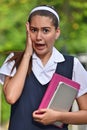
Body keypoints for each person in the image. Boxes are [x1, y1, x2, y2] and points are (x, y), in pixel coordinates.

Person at [0, 5, 87, 130]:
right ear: (27, 30)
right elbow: (11, 97)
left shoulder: (72, 65)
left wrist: (58, 116)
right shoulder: (14, 60)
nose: (39, 37)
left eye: (45, 30)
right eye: (34, 30)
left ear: (57, 32)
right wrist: (27, 55)